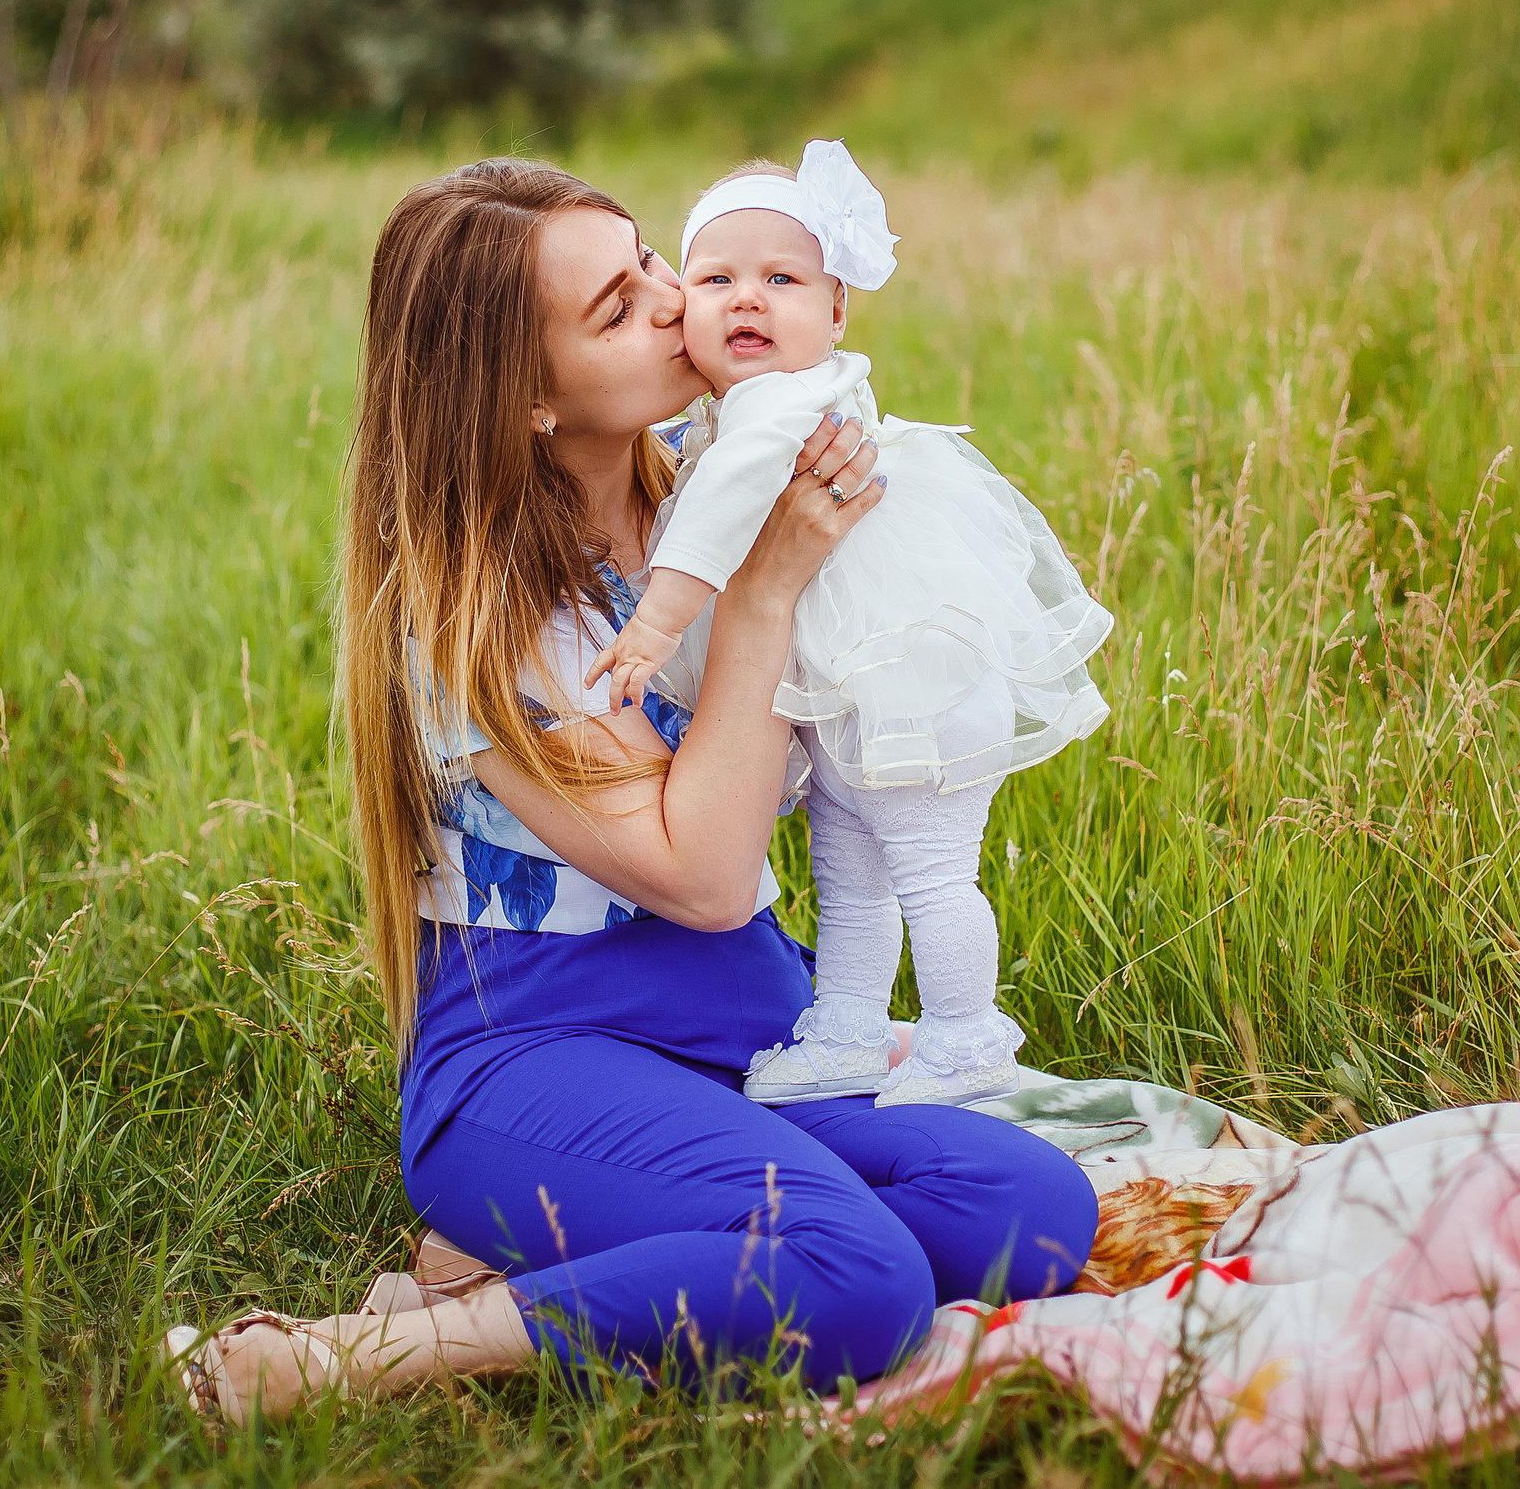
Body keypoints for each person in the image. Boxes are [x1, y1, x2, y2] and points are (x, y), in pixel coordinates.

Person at [166, 158, 1096, 1423]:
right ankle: (355, 1353)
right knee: (857, 1280)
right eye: (616, 308)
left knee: (1027, 1211)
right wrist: (766, 587)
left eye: (654, 258)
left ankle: (582, 1249)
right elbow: (709, 882)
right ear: (528, 399)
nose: (678, 301)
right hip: (539, 1058)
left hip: (741, 1030)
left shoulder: (704, 475)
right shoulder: (481, 621)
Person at [587, 142, 1113, 1110]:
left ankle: (964, 1038)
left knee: (928, 870)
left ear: (834, 312)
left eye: (780, 279)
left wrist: (658, 621)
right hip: (852, 696)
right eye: (715, 279)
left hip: (913, 692)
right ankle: (847, 1029)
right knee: (850, 870)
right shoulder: (745, 406)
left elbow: (723, 509)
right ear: (684, 310)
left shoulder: (781, 403)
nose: (746, 299)